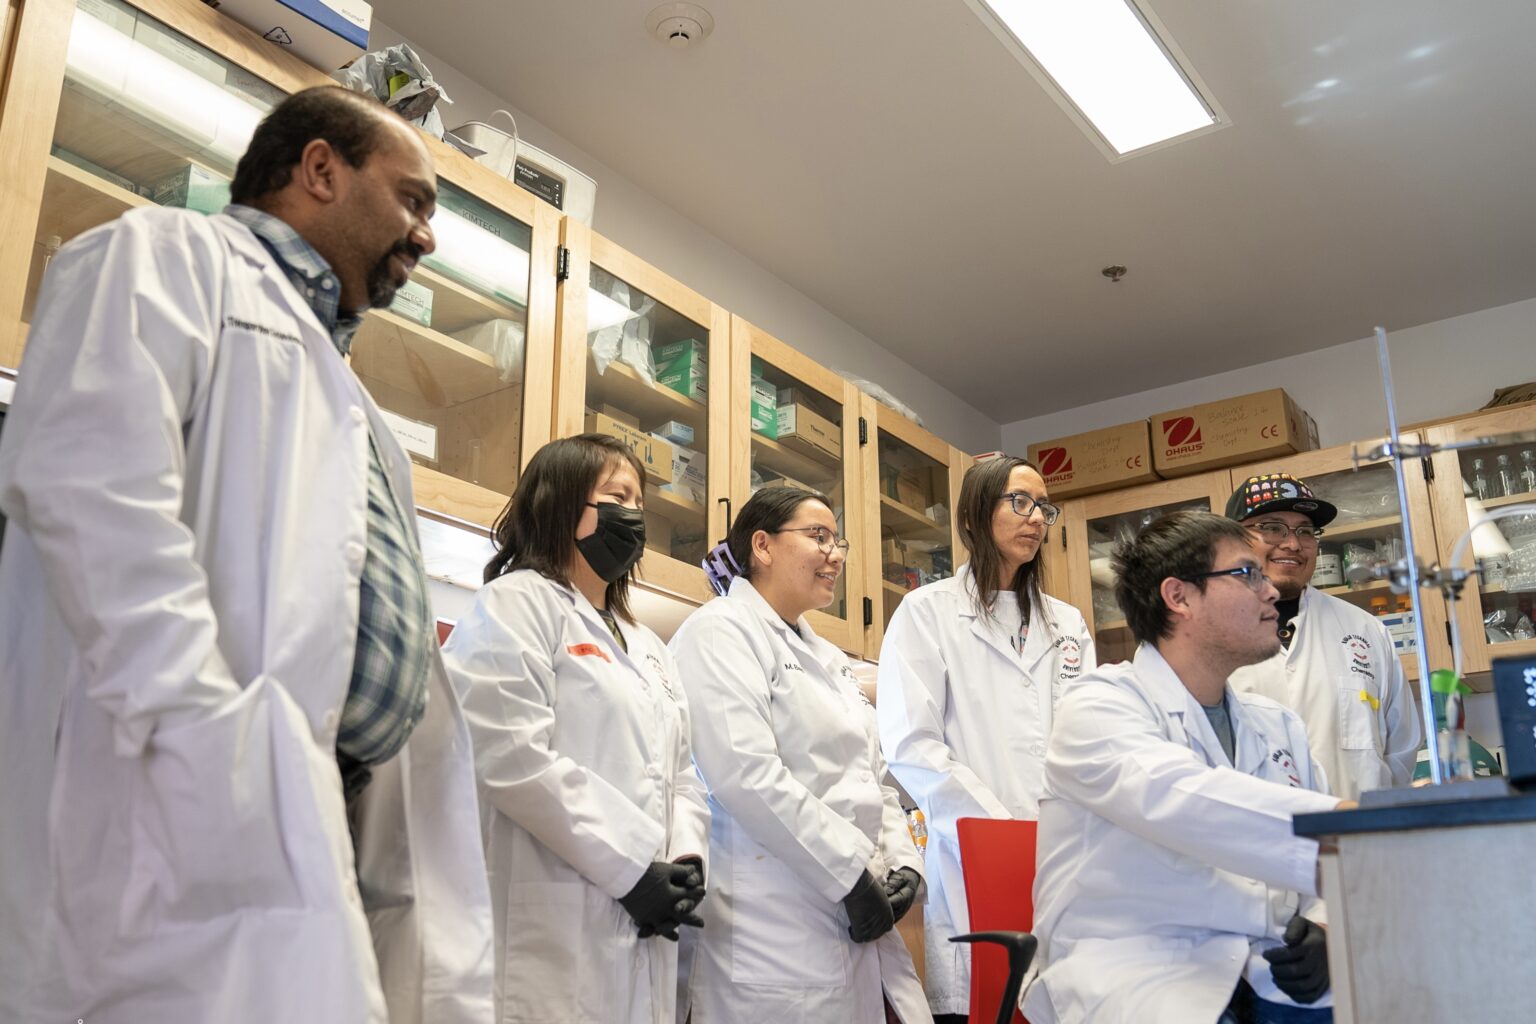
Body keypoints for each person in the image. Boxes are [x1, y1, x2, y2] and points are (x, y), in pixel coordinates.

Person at [0, 87, 493, 1022]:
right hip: (173, 820)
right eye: (415, 201)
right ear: (319, 170)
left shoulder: (353, 403)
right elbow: (97, 501)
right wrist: (219, 763)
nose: (426, 237)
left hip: (314, 824)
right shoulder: (159, 257)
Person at [1022, 512, 1350, 1024]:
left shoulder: (1277, 726)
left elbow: (1330, 874)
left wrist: (1327, 927)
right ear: (1178, 597)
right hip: (1138, 970)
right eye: (1248, 574)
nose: (1271, 592)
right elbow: (1185, 799)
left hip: (1266, 968)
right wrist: (1348, 823)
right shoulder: (1098, 706)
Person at [440, 434, 711, 1024]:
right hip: (554, 934)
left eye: (640, 501)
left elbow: (683, 773)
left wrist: (685, 857)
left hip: (645, 925)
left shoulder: (647, 645)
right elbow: (509, 755)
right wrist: (633, 866)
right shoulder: (515, 606)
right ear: (561, 503)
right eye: (618, 496)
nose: (633, 516)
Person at [670, 486, 932, 1023]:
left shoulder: (832, 658)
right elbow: (744, 775)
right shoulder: (719, 632)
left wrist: (905, 865)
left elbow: (873, 777)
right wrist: (850, 876)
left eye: (838, 541)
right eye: (818, 537)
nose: (835, 554)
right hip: (768, 932)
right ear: (762, 546)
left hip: (852, 923)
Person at [876, 454, 1094, 1022]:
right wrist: (998, 829)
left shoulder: (1067, 624)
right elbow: (910, 746)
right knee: (989, 1002)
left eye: (1043, 507)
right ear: (974, 514)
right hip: (972, 859)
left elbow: (1091, 740)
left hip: (1064, 855)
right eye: (1018, 502)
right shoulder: (928, 613)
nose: (1035, 518)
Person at [1225, 473, 1422, 799]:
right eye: (1273, 528)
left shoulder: (1365, 631)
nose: (1292, 544)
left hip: (1359, 840)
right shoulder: (1209, 632)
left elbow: (1400, 753)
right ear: (1231, 540)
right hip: (1258, 843)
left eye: (1305, 531)